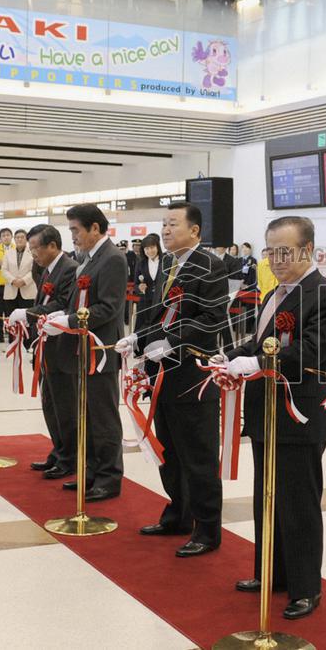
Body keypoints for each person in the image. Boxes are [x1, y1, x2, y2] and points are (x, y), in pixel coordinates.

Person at [221, 216, 326, 620]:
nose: (274, 259)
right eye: (269, 250)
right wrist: (234, 354)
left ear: (307, 250)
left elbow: (311, 351)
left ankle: (306, 586)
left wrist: (253, 361)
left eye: (284, 251)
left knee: (298, 503)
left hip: (299, 412)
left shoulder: (325, 294)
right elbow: (264, 341)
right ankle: (270, 572)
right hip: (265, 411)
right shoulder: (275, 291)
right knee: (266, 497)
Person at [117, 202, 228, 556]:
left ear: (194, 231)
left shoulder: (210, 265)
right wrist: (140, 337)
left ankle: (207, 529)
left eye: (172, 224)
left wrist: (172, 341)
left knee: (198, 453)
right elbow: (154, 308)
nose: (165, 230)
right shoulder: (166, 263)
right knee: (169, 449)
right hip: (161, 370)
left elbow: (212, 318)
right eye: (163, 224)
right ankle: (177, 514)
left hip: (192, 372)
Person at [43, 204, 126, 502]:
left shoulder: (113, 259)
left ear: (95, 228)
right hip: (82, 347)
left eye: (76, 230)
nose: (73, 236)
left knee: (103, 416)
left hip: (100, 349)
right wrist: (60, 318)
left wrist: (70, 321)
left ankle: (109, 476)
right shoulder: (89, 259)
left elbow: (108, 307)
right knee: (87, 414)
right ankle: (91, 469)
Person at [12, 224, 79, 479]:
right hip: (45, 347)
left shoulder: (69, 269)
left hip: (62, 348)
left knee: (64, 405)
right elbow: (44, 302)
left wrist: (29, 314)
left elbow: (62, 305)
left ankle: (69, 457)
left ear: (52, 246)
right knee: (50, 403)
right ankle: (59, 450)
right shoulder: (47, 269)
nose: (33, 254)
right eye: (30, 249)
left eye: (35, 248)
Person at [1, 229, 37, 341]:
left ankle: (27, 343)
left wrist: (23, 280)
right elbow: (4, 270)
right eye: (17, 237)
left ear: (26, 239)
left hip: (27, 290)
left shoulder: (32, 252)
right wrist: (13, 280)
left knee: (27, 319)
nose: (19, 239)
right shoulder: (8, 253)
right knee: (12, 319)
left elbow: (34, 270)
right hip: (11, 290)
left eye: (22, 237)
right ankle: (13, 342)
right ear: (14, 239)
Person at [133, 234, 163, 330]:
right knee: (142, 333)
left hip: (161, 303)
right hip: (145, 304)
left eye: (152, 247)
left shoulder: (166, 260)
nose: (149, 251)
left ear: (157, 246)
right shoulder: (141, 264)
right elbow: (136, 284)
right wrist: (139, 288)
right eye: (146, 249)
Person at [0, 228, 14, 322]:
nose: (6, 237)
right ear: (0, 238)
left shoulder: (16, 248)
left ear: (11, 237)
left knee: (11, 312)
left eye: (8, 235)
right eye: (3, 235)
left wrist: (4, 264)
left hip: (12, 285)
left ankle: (12, 336)